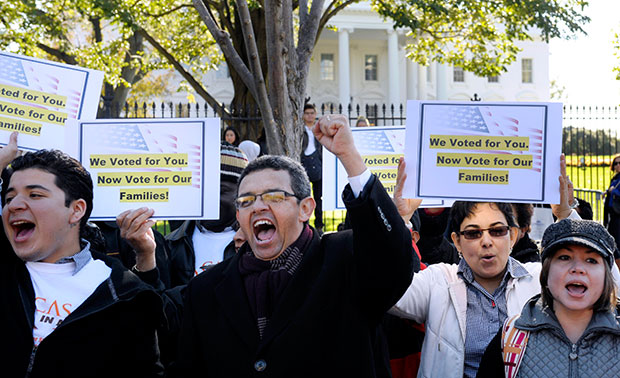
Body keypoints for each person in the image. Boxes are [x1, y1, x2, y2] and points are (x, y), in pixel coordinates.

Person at [167, 114, 416, 377]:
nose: (259, 206)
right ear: (238, 214)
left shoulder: (345, 261)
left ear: (305, 208)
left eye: (274, 196)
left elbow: (393, 261)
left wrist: (349, 157)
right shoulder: (205, 290)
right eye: (246, 200)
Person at [390, 155, 581, 378]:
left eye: (497, 230)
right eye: (473, 233)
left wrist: (566, 215)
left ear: (513, 236)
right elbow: (384, 290)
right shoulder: (437, 282)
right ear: (457, 241)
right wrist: (400, 219)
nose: (486, 241)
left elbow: (605, 284)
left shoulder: (541, 280)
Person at [0, 133, 164, 377]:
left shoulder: (126, 294)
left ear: (76, 210)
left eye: (35, 195)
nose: (14, 206)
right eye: (9, 197)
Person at [477, 219, 620, 377]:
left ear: (606, 275)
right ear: (546, 271)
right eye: (564, 257)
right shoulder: (511, 336)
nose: (578, 269)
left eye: (591, 260)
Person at [157, 142, 248, 287]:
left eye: (220, 191)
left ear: (241, 194)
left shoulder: (256, 245)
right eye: (203, 190)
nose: (209, 200)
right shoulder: (172, 244)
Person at [300, 103, 323, 232]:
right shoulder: (300, 129)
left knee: (319, 198)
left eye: (312, 113)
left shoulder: (318, 128)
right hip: (304, 163)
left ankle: (319, 225)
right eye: (307, 113)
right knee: (305, 197)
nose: (309, 116)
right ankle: (305, 224)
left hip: (317, 163)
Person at [604, 154, 620, 250]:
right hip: (612, 211)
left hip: (618, 212)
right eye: (615, 163)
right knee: (611, 237)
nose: (618, 165)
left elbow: (616, 191)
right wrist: (607, 191)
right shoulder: (615, 178)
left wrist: (613, 191)